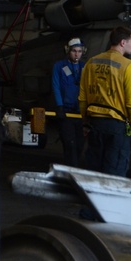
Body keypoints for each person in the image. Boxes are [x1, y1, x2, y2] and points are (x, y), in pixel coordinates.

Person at [79, 26, 131, 176]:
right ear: (122, 42)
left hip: (95, 125)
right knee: (114, 173)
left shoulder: (91, 63)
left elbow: (82, 97)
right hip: (116, 127)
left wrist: (85, 122)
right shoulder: (127, 67)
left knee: (94, 171)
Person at [51, 37, 85, 167]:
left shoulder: (84, 67)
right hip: (66, 112)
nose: (77, 54)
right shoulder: (59, 66)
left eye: (79, 51)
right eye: (74, 51)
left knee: (79, 145)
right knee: (69, 144)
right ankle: (72, 170)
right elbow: (56, 86)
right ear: (68, 51)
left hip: (80, 113)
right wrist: (59, 106)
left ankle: (73, 168)